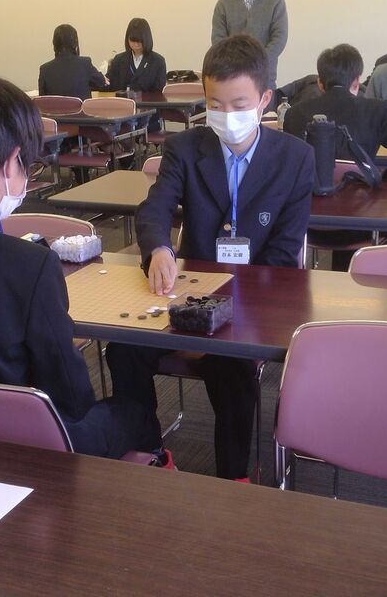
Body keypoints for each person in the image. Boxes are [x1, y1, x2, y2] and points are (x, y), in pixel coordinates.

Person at [106, 34, 314, 481]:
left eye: (239, 105)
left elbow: (283, 253)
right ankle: (149, 450)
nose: (227, 115)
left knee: (231, 365)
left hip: (254, 299)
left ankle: (234, 478)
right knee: (124, 349)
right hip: (187, 295)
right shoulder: (185, 147)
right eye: (216, 104)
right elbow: (155, 208)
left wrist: (234, 301)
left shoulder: (296, 159)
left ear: (264, 99)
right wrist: (159, 249)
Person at [0, 73, 160, 460]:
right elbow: (71, 400)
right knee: (133, 412)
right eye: (29, 164)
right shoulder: (29, 266)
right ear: (10, 164)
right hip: (22, 446)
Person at [283, 44, 387, 160]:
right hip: (361, 172)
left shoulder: (293, 114)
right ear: (357, 81)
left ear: (319, 83)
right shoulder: (378, 110)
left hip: (311, 172)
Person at [211, 0, 288, 90]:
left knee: (266, 98)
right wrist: (236, 64)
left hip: (264, 78)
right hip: (231, 77)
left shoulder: (276, 1)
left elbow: (279, 38)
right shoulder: (223, 4)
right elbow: (218, 42)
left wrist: (257, 62)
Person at [39, 24, 107, 100]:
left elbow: (42, 100)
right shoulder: (85, 63)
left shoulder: (44, 69)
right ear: (75, 42)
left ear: (54, 43)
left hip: (55, 108)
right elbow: (102, 83)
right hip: (81, 108)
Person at [107, 18, 166, 94]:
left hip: (148, 101)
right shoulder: (118, 59)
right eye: (132, 40)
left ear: (146, 39)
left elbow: (158, 92)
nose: (136, 44)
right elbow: (108, 84)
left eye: (139, 41)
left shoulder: (158, 61)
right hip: (123, 101)